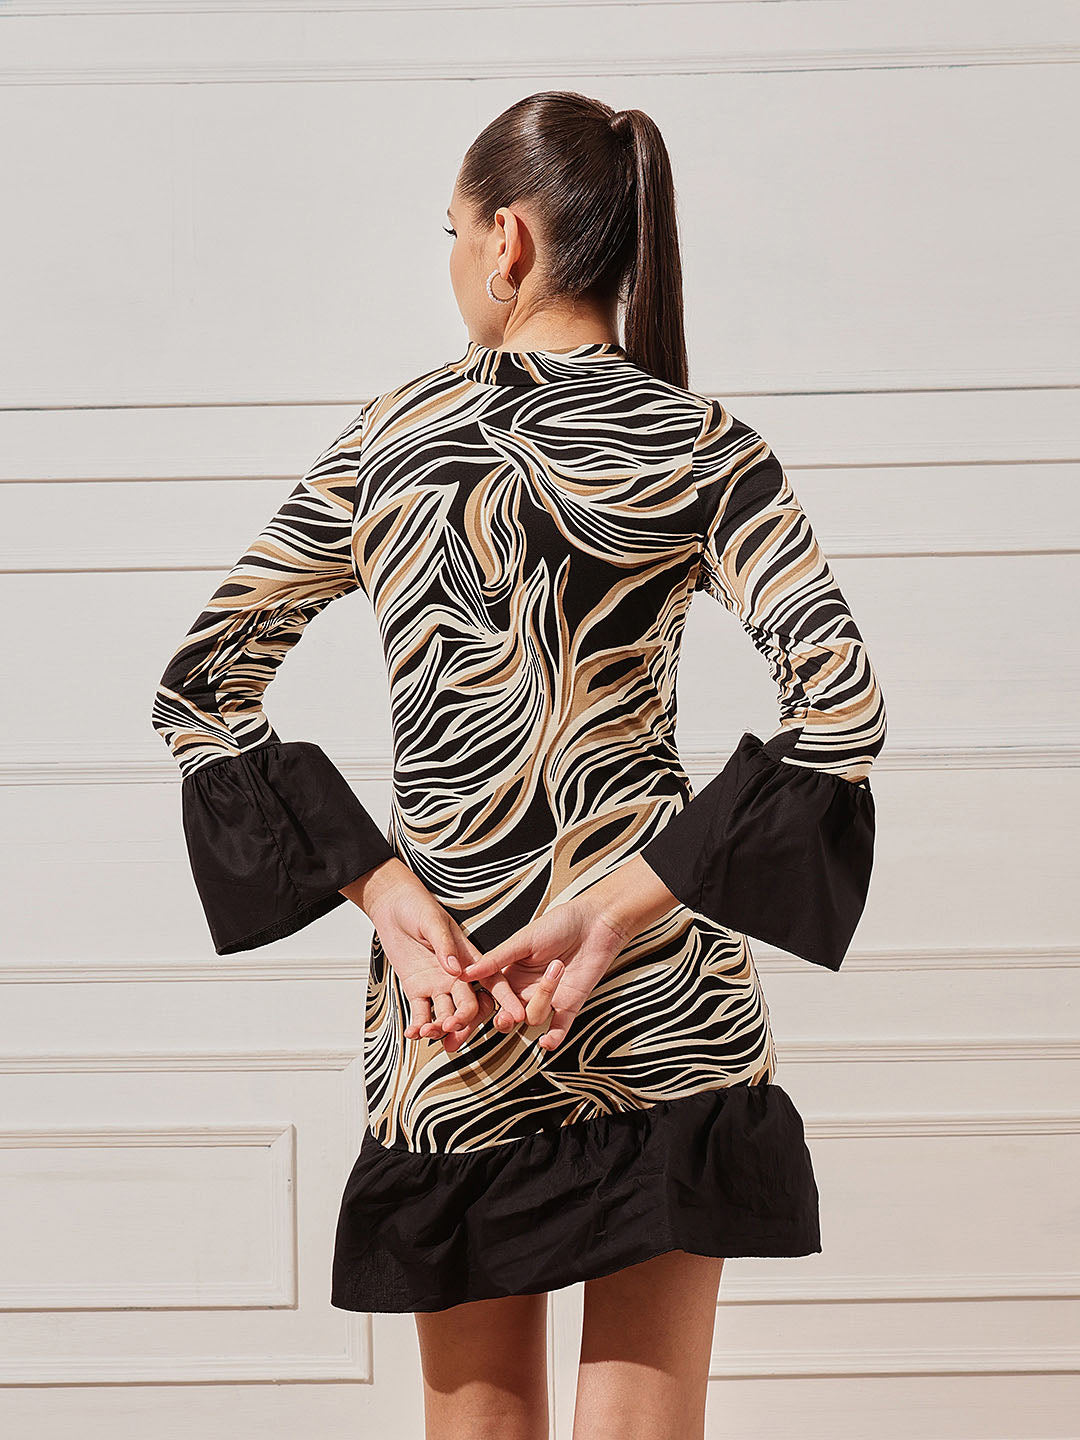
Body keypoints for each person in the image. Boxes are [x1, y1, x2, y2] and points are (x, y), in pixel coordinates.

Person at [151, 90, 886, 1440]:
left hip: (457, 1012)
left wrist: (387, 894)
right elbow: (840, 712)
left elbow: (201, 687)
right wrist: (615, 910)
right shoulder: (702, 445)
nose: (451, 261)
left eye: (450, 232)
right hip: (659, 997)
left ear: (508, 240)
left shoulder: (388, 440)